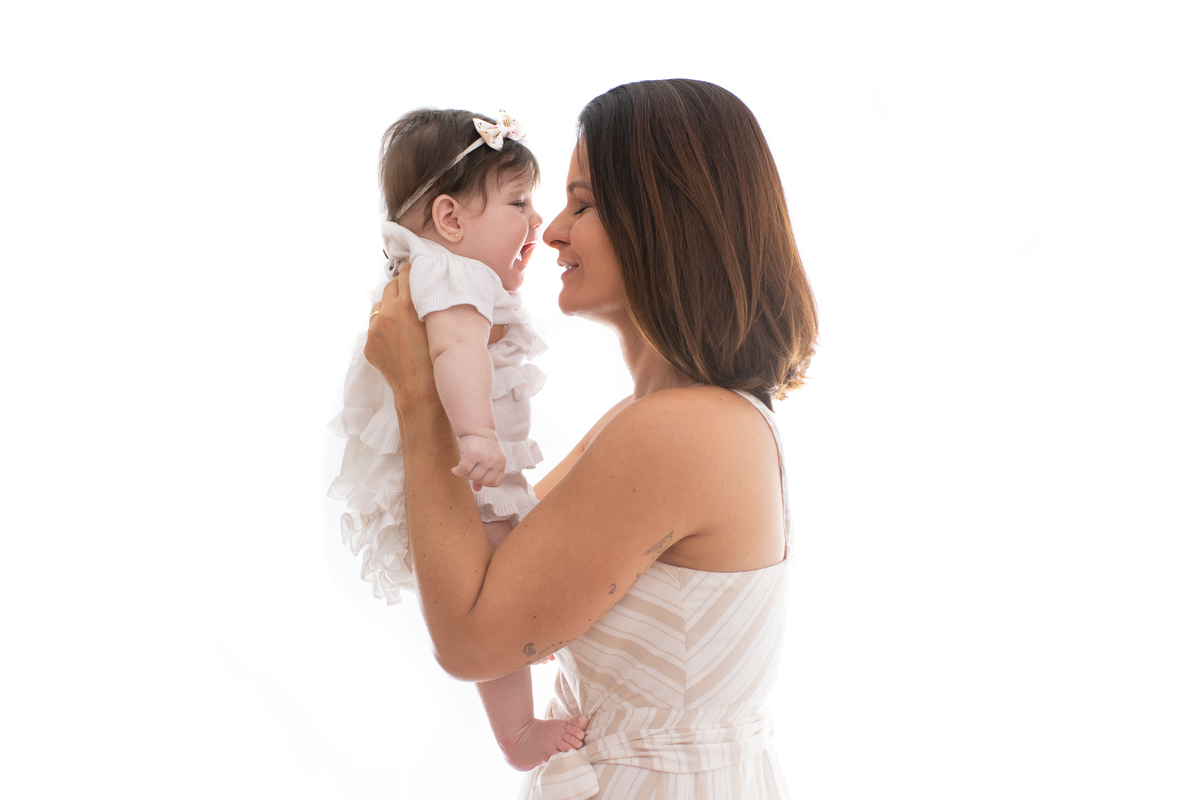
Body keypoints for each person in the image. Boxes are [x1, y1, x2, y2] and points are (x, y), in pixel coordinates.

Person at [365, 79, 818, 798]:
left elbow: (472, 635)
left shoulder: (681, 432)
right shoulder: (660, 420)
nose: (550, 231)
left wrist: (423, 396)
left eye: (583, 203)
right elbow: (494, 562)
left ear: (663, 221)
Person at [328, 108, 589, 770]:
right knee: (494, 595)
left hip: (456, 477)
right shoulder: (452, 277)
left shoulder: (438, 273)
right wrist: (474, 435)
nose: (539, 223)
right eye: (518, 202)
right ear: (450, 221)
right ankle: (518, 729)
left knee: (511, 566)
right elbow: (454, 353)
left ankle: (533, 644)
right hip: (462, 476)